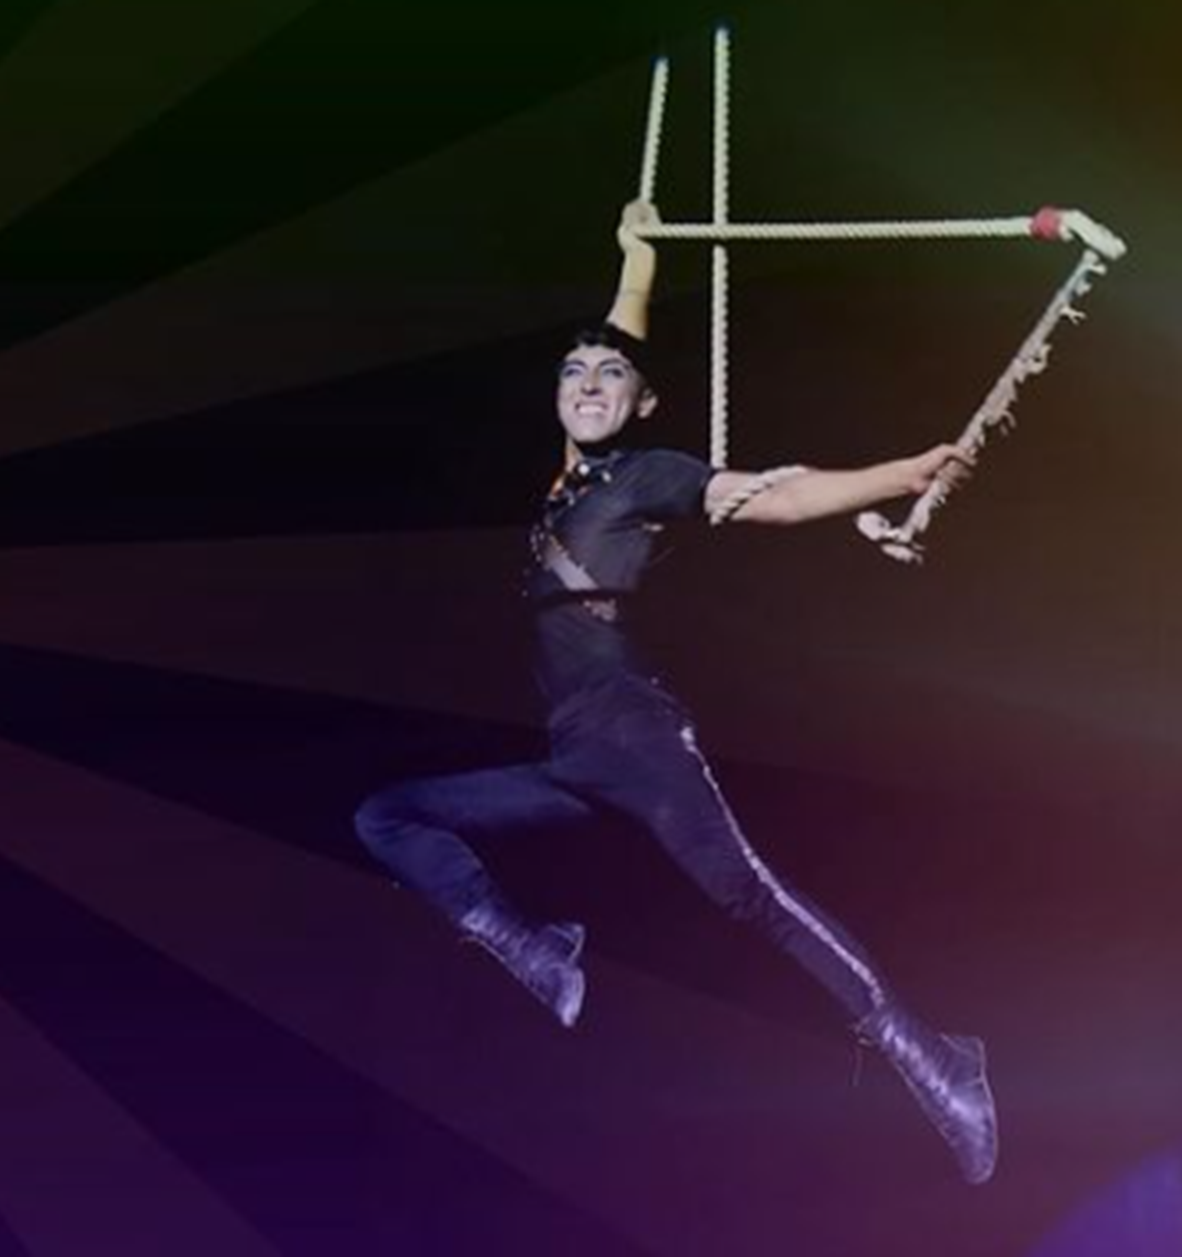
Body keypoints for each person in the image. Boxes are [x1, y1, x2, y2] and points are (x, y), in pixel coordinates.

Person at [355, 200, 997, 1184]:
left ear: (644, 403)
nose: (589, 381)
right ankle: (539, 951)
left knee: (750, 896)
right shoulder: (569, 484)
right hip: (575, 753)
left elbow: (780, 496)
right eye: (572, 372)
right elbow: (617, 343)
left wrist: (896, 474)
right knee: (389, 815)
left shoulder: (645, 475)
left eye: (611, 376)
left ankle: (937, 1057)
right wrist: (635, 260)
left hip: (633, 734)